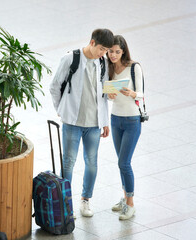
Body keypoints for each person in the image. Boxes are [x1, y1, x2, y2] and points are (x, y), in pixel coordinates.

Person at [49, 28, 114, 217]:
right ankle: (65, 203)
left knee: (92, 163)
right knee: (68, 163)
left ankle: (86, 200)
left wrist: (105, 121)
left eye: (106, 51)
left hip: (94, 123)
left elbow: (103, 92)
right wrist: (61, 110)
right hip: (73, 122)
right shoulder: (71, 59)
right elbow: (54, 86)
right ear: (92, 42)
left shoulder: (102, 62)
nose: (103, 54)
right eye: (101, 49)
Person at [106, 35, 143, 220]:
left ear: (123, 51)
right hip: (115, 119)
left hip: (132, 121)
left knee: (124, 163)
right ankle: (124, 197)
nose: (113, 55)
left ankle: (130, 204)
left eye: (117, 52)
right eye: (111, 51)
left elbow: (142, 93)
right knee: (120, 162)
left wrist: (132, 93)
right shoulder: (108, 67)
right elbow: (103, 91)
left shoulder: (134, 67)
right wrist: (108, 94)